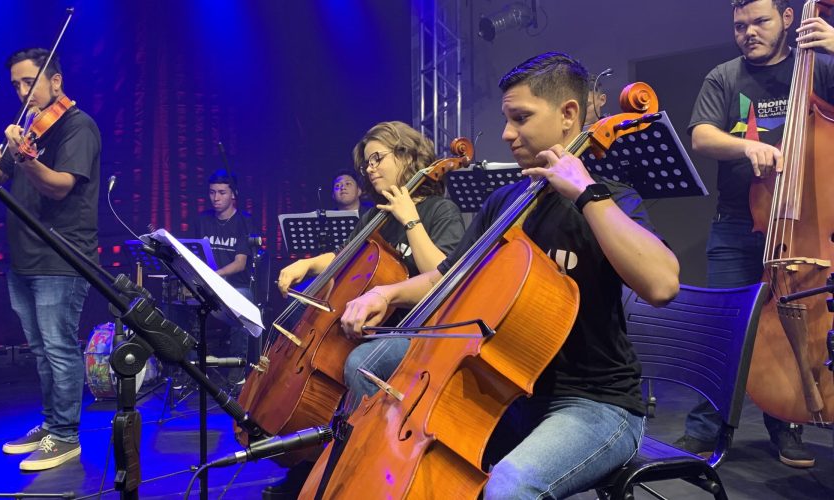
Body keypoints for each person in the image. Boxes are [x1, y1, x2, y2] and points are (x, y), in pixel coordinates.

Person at [337, 52, 679, 498]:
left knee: (510, 486)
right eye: (506, 118)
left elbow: (662, 284)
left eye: (521, 118)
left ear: (568, 115)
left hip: (595, 402)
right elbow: (448, 277)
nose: (506, 134)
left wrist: (585, 194)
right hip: (507, 390)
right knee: (372, 366)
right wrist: (387, 292)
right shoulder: (504, 203)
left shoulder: (607, 201)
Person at [266, 121, 465, 498]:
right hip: (372, 323)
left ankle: (350, 468)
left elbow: (439, 275)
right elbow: (345, 259)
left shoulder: (441, 211)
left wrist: (410, 218)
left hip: (417, 329)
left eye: (377, 158)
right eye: (366, 164)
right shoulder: (375, 215)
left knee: (360, 362)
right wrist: (308, 264)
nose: (370, 169)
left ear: (406, 156)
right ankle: (317, 463)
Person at [675, 0, 834, 469]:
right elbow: (702, 135)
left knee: (797, 330)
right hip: (740, 224)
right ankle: (704, 429)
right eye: (740, 25)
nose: (749, 32)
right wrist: (747, 146)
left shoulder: (818, 66)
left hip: (807, 230)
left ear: (788, 19)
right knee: (723, 329)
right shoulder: (724, 76)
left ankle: (789, 426)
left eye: (760, 21)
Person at [0, 48, 101, 472]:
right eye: (16, 86)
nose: (23, 92)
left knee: (60, 349)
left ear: (56, 82)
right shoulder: (26, 127)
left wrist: (26, 158)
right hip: (24, 256)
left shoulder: (78, 127)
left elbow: (59, 187)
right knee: (41, 351)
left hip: (61, 256)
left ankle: (66, 437)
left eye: (30, 82)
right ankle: (51, 425)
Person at [191, 168, 256, 388]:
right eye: (212, 192)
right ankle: (191, 368)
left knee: (242, 304)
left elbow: (240, 263)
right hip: (206, 285)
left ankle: (237, 373)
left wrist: (215, 276)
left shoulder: (244, 221)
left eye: (221, 192)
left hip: (235, 285)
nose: (216, 198)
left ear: (233, 194)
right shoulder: (203, 220)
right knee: (181, 303)